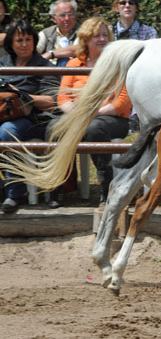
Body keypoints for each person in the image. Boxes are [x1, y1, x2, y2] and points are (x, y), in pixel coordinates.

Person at [54, 17, 131, 204]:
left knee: (94, 129)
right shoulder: (73, 64)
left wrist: (91, 112)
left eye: (105, 35)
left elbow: (122, 102)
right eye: (97, 36)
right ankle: (57, 188)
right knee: (53, 129)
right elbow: (63, 98)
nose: (103, 39)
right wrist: (77, 113)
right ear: (86, 39)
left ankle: (107, 185)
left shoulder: (118, 64)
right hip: (79, 116)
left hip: (113, 119)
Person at [0, 20, 59, 213]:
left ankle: (15, 193)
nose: (24, 44)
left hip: (36, 120)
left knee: (7, 132)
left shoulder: (43, 65)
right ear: (11, 43)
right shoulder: (3, 64)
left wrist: (23, 97)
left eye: (28, 39)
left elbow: (52, 101)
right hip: (4, 116)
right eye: (19, 40)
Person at [111, 0, 158, 133]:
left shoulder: (149, 32)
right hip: (114, 76)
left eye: (131, 3)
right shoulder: (107, 32)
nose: (127, 6)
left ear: (136, 8)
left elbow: (152, 60)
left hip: (139, 75)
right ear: (116, 7)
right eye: (123, 2)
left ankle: (136, 118)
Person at [37, 0, 80, 67]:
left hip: (74, 72)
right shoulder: (46, 34)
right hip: (48, 74)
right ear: (54, 18)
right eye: (62, 15)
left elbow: (79, 49)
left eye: (70, 14)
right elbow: (32, 51)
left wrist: (51, 54)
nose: (67, 18)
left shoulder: (82, 32)